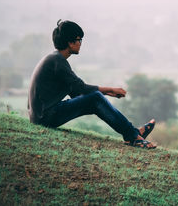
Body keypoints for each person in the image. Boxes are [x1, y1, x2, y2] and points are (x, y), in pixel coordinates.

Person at [27, 20, 156, 149]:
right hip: (45, 117)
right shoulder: (58, 62)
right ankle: (133, 136)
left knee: (94, 99)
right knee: (95, 97)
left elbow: (76, 92)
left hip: (41, 116)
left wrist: (105, 92)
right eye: (79, 40)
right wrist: (110, 89)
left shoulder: (55, 59)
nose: (80, 43)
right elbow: (81, 88)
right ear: (70, 42)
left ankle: (133, 133)